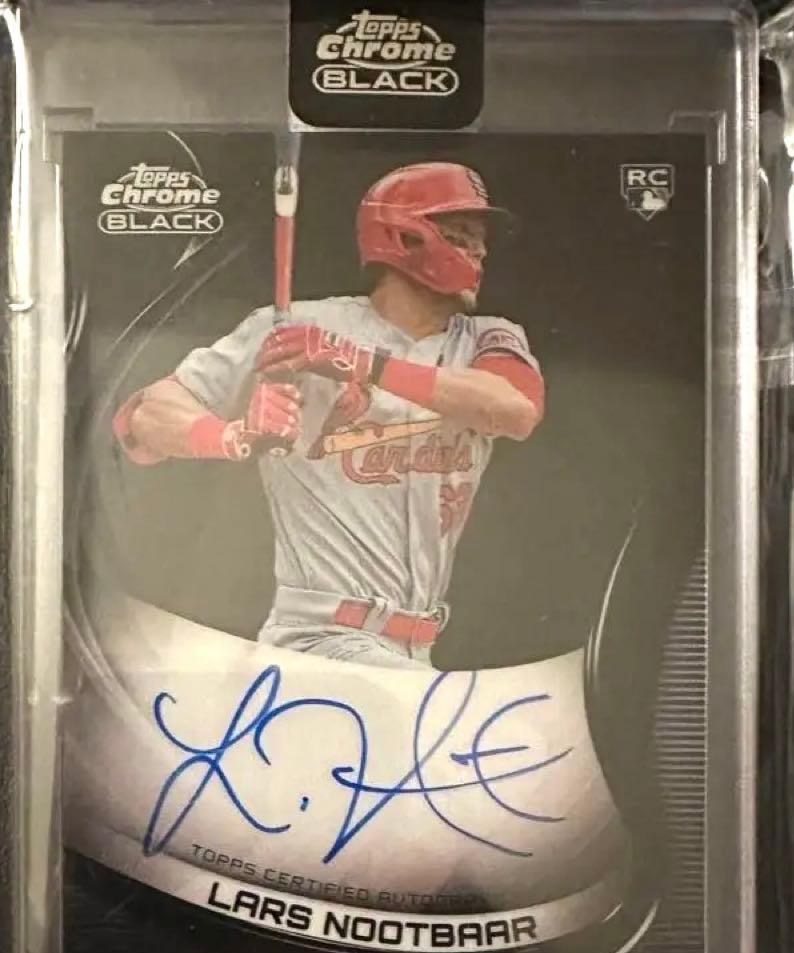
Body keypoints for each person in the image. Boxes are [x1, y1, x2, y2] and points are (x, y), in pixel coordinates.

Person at [112, 162, 545, 668]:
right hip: (320, 637)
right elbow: (142, 418)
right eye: (461, 235)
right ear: (404, 236)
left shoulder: (488, 338)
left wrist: (359, 363)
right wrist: (235, 436)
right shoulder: (297, 326)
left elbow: (514, 410)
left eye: (481, 240)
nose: (480, 252)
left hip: (418, 645)